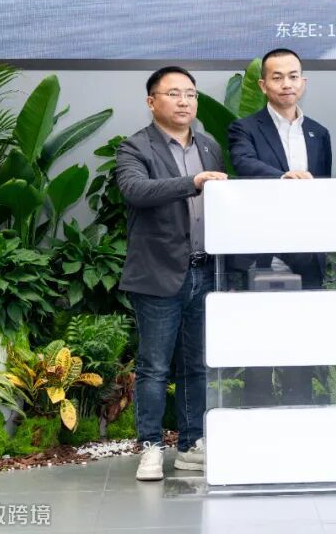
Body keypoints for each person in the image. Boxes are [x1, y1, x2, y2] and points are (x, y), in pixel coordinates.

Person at [116, 66, 227, 481]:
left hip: (205, 270)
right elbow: (136, 191)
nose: (184, 102)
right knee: (154, 367)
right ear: (152, 102)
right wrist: (191, 182)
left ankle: (190, 445)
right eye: (174, 93)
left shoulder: (209, 145)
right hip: (158, 273)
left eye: (190, 94)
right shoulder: (135, 147)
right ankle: (150, 447)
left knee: (196, 365)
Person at [227, 48, 332, 405]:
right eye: (277, 77)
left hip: (306, 252)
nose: (286, 84)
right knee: (259, 339)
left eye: (293, 76)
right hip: (262, 251)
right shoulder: (244, 128)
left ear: (303, 82)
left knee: (302, 340)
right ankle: (257, 415)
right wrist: (282, 177)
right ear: (263, 85)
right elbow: (243, 163)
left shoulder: (318, 133)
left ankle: (299, 412)